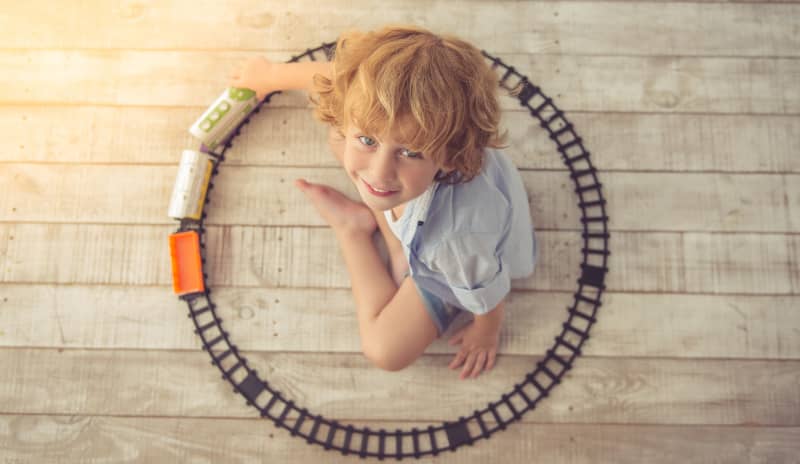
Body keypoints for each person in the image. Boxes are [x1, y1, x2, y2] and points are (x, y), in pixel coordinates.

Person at [229, 25, 537, 380]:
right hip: (424, 213)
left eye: (410, 152)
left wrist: (486, 332)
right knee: (341, 132)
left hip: (444, 264)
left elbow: (485, 291)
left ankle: (354, 231)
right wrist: (270, 76)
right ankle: (393, 238)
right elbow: (338, 78)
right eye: (369, 141)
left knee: (384, 351)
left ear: (450, 155)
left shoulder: (455, 243)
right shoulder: (400, 135)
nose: (380, 171)